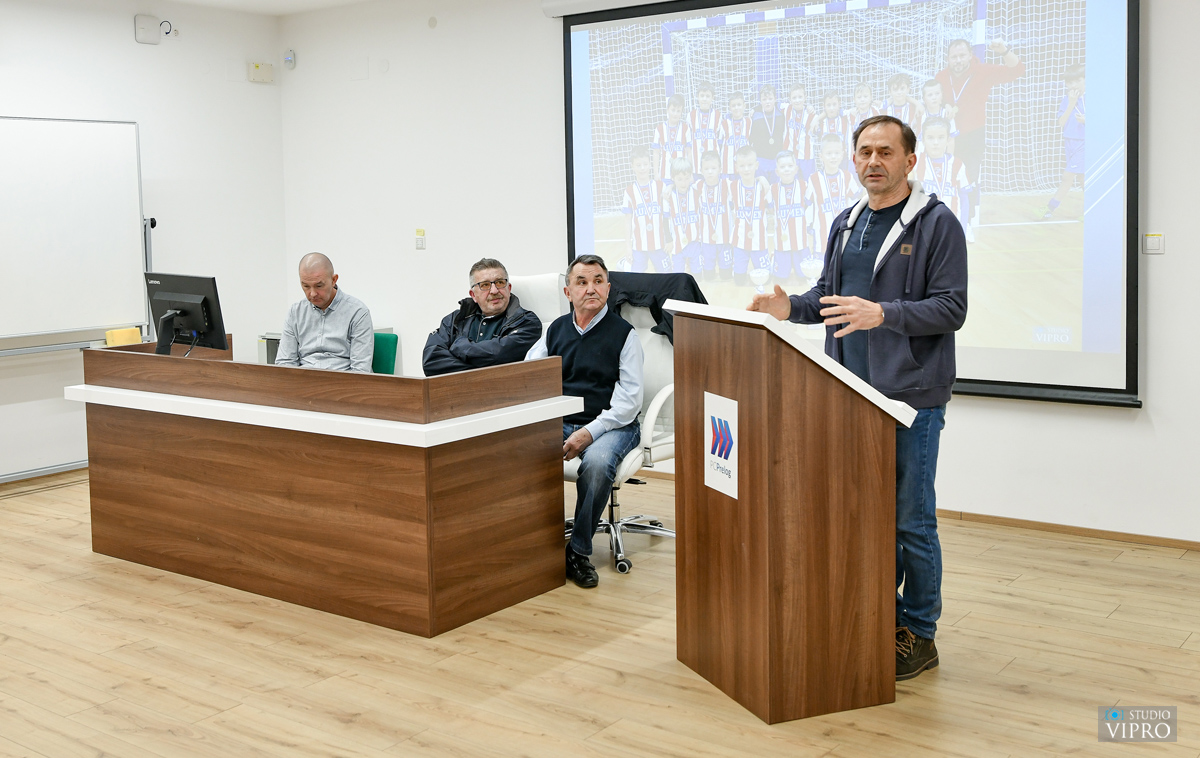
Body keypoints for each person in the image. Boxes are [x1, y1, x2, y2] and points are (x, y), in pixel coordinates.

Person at [748, 115, 968, 682]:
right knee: (867, 518)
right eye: (865, 152)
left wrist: (884, 313)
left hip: (911, 399)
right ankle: (881, 618)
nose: (874, 161)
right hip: (849, 394)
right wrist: (788, 308)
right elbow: (828, 297)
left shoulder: (938, 223)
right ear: (853, 160)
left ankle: (920, 633)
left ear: (909, 161)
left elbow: (952, 308)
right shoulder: (846, 222)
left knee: (911, 520)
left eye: (886, 152)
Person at [525, 255, 644, 589]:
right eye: (582, 282)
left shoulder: (625, 335)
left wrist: (589, 433)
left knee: (598, 464)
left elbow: (629, 403)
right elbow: (530, 374)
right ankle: (528, 544)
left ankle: (576, 553)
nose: (591, 289)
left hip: (613, 425)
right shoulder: (555, 330)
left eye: (597, 281)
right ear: (568, 292)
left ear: (608, 288)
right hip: (561, 422)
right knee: (516, 453)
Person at [934, 39, 1026, 222]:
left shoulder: (983, 71)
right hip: (948, 136)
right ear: (948, 59)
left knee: (969, 175)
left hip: (974, 134)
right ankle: (945, 216)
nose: (958, 60)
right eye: (954, 57)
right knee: (946, 174)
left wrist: (1004, 51)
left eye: (962, 55)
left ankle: (966, 220)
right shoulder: (941, 77)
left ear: (970, 55)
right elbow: (934, 100)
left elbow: (1018, 70)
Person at [421, 258, 542, 376]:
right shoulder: (454, 321)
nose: (494, 291)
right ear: (473, 295)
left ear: (509, 288)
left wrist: (460, 346)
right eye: (485, 285)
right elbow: (432, 362)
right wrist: (485, 369)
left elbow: (498, 354)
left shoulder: (527, 322)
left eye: (500, 282)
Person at [275, 252, 374, 372]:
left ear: (333, 280)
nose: (312, 294)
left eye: (319, 286)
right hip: (303, 380)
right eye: (306, 286)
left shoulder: (357, 312)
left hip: (343, 380)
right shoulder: (295, 312)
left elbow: (360, 370)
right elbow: (285, 362)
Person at [912, 117, 974, 242]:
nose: (936, 142)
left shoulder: (958, 164)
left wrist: (962, 228)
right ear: (923, 140)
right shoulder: (916, 163)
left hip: (951, 228)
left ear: (948, 140)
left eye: (941, 137)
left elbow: (964, 199)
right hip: (923, 227)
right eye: (930, 138)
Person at [1040, 65, 1085, 220]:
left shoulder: (1093, 97)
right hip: (1070, 141)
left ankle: (1049, 209)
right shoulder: (1067, 99)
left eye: (1077, 81)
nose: (1073, 85)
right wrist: (1071, 103)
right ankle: (1092, 210)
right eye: (1069, 82)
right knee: (1082, 179)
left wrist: (1087, 120)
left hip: (1084, 142)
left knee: (1067, 177)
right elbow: (1061, 122)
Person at [805, 133, 862, 256]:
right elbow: (808, 205)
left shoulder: (847, 177)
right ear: (821, 156)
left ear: (842, 154)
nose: (833, 157)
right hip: (821, 234)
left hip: (844, 232)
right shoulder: (813, 179)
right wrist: (809, 225)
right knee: (823, 263)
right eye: (829, 153)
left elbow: (855, 203)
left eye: (836, 153)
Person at [621, 145, 670, 273]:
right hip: (639, 247)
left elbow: (668, 215)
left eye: (645, 164)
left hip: (660, 245)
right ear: (632, 166)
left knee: (666, 278)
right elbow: (627, 220)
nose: (642, 168)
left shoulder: (660, 186)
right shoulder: (629, 191)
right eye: (638, 165)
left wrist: (670, 239)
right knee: (636, 279)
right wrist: (628, 247)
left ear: (650, 165)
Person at [729, 145, 772, 286]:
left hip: (759, 241)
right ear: (736, 167)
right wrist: (671, 186)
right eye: (742, 166)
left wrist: (763, 179)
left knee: (766, 280)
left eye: (750, 165)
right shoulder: (731, 186)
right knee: (739, 281)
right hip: (739, 241)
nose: (746, 169)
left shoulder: (763, 186)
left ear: (756, 165)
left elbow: (771, 208)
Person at [770, 151, 809, 284]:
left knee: (803, 277)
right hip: (781, 241)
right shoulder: (773, 189)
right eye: (782, 167)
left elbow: (811, 205)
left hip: (800, 240)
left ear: (796, 169)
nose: (786, 169)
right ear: (777, 171)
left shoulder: (804, 186)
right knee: (781, 279)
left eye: (790, 166)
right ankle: (774, 261)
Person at [696, 149, 732, 280]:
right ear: (701, 170)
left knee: (726, 276)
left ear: (720, 169)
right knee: (708, 276)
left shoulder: (727, 184)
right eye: (706, 169)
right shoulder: (697, 186)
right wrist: (670, 187)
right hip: (706, 239)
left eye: (713, 168)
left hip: (725, 238)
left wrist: (762, 178)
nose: (710, 171)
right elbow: (680, 187)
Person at [664, 157, 703, 274]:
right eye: (679, 179)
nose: (683, 182)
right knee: (678, 276)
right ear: (673, 178)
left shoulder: (696, 191)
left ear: (691, 177)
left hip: (695, 242)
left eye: (686, 178)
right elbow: (664, 220)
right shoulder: (668, 196)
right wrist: (669, 240)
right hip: (677, 244)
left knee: (697, 276)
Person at [749, 84, 786, 184]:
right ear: (760, 101)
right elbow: (750, 138)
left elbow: (795, 105)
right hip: (760, 160)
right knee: (762, 189)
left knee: (776, 189)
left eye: (770, 99)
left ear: (775, 99)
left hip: (777, 160)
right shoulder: (755, 115)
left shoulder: (782, 113)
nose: (767, 102)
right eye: (764, 99)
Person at [651, 94, 692, 182]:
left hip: (682, 175)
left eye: (678, 111)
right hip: (664, 175)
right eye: (673, 110)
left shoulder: (686, 128)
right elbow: (656, 153)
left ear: (681, 112)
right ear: (667, 109)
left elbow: (689, 152)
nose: (675, 114)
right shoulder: (659, 129)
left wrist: (690, 173)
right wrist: (656, 174)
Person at [688, 81, 721, 182]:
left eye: (707, 96)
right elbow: (688, 143)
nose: (704, 99)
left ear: (712, 98)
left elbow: (721, 140)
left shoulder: (718, 115)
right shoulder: (691, 115)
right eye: (702, 96)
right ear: (697, 97)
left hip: (713, 166)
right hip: (696, 165)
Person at [916, 79, 958, 154]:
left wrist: (949, 157)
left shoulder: (947, 114)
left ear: (942, 95)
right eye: (930, 95)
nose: (934, 97)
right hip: (925, 155)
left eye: (937, 93)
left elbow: (951, 140)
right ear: (924, 98)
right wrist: (920, 157)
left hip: (942, 155)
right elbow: (920, 141)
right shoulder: (921, 115)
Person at [718, 92, 753, 181]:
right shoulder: (724, 123)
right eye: (733, 105)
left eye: (739, 105)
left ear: (744, 106)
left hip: (744, 168)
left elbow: (752, 142)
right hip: (727, 168)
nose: (736, 108)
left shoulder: (749, 122)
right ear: (729, 108)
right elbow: (719, 144)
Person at [783, 83, 816, 176]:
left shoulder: (811, 114)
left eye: (800, 97)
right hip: (790, 156)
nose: (797, 100)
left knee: (808, 182)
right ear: (789, 99)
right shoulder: (786, 109)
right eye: (794, 98)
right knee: (791, 181)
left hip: (807, 157)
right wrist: (754, 110)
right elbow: (770, 104)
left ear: (805, 97)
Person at [810, 91, 854, 158]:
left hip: (843, 158)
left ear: (839, 104)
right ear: (824, 106)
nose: (831, 108)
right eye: (828, 105)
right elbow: (812, 132)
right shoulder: (820, 123)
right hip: (827, 159)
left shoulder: (845, 119)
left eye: (834, 104)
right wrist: (816, 120)